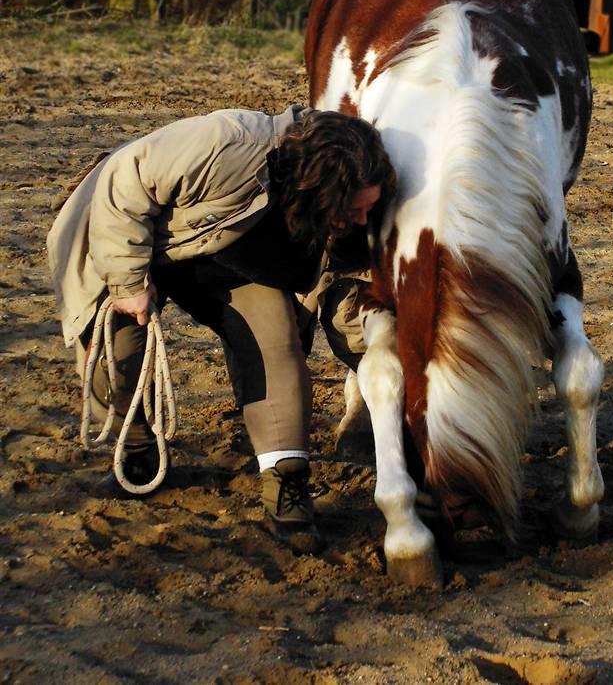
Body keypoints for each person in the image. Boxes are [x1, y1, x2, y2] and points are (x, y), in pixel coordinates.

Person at [47, 106, 395, 552]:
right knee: (115, 359)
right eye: (355, 209)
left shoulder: (335, 217)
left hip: (228, 260)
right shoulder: (227, 144)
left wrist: (380, 365)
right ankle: (138, 452)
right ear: (323, 189)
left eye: (370, 209)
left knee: (276, 351)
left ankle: (285, 490)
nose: (362, 221)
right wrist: (128, 282)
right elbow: (122, 184)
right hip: (123, 237)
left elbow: (344, 300)